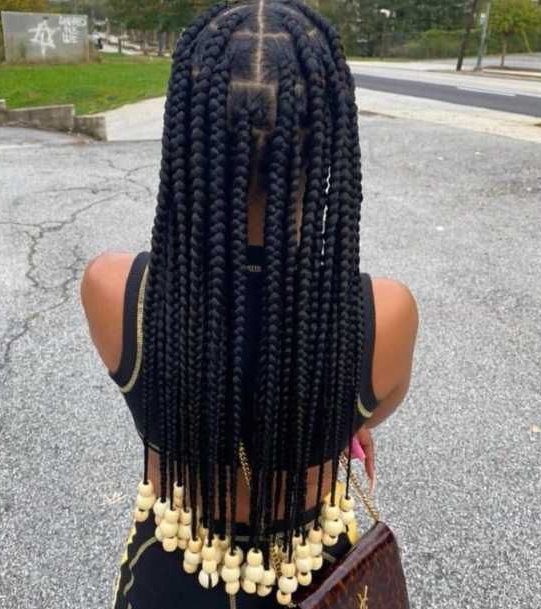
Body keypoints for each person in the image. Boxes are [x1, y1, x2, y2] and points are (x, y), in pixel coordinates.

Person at [80, 1, 418, 607]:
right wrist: (332, 417)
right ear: (329, 144)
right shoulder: (384, 315)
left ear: (186, 135)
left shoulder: (114, 290)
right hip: (317, 579)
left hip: (172, 570)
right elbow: (373, 412)